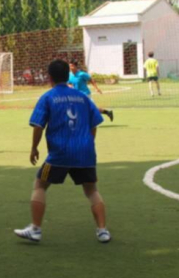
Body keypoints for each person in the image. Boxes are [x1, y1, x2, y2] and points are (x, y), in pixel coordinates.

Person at [14, 59, 111, 243]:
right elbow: (95, 122)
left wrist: (34, 148)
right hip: (85, 153)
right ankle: (102, 231)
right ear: (68, 76)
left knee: (40, 185)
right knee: (91, 190)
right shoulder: (82, 98)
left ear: (49, 77)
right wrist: (88, 143)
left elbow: (38, 125)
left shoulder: (48, 97)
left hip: (60, 154)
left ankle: (35, 229)